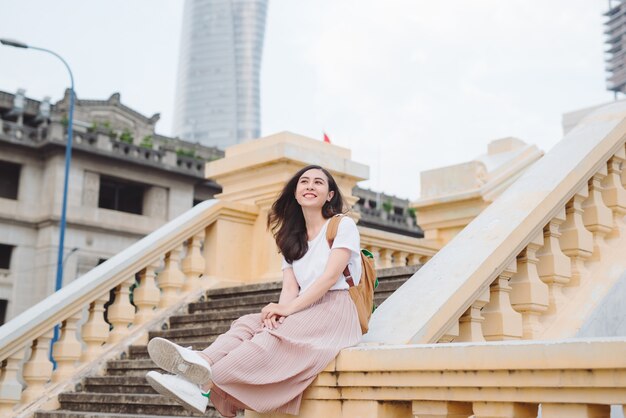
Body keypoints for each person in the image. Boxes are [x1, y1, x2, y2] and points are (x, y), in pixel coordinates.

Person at [145, 165, 363, 417]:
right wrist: (280, 314)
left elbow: (329, 277)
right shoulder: (291, 237)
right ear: (295, 192)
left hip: (337, 311)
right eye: (304, 182)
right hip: (306, 306)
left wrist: (287, 310)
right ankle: (202, 362)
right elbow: (291, 287)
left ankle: (202, 386)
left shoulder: (341, 225)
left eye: (318, 182)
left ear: (330, 195)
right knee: (249, 324)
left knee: (268, 339)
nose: (310, 186)